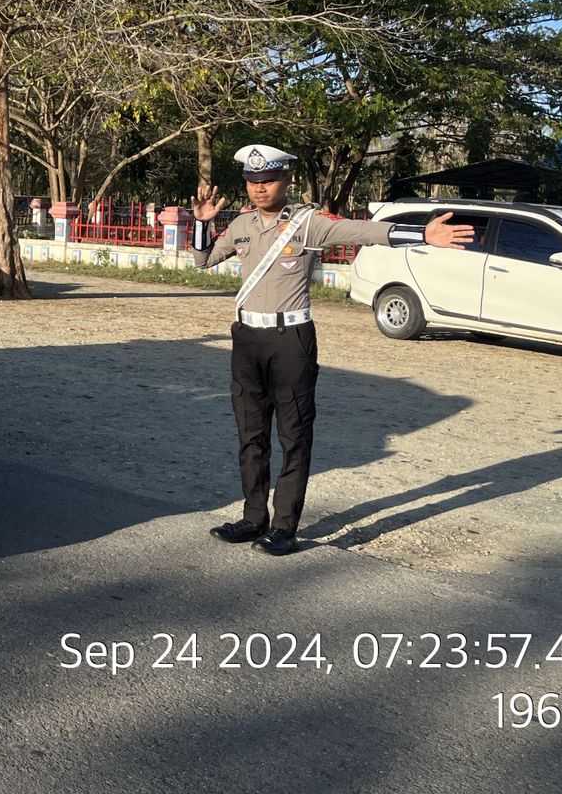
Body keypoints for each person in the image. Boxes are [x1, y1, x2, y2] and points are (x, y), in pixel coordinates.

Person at [190, 144, 475, 556]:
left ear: (286, 180)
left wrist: (422, 233)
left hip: (291, 341)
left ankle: (284, 527)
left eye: (267, 181)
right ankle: (254, 519)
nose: (259, 189)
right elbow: (202, 261)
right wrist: (202, 225)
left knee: (293, 435)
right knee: (250, 434)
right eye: (252, 183)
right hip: (247, 339)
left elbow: (362, 231)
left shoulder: (307, 224)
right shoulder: (242, 225)